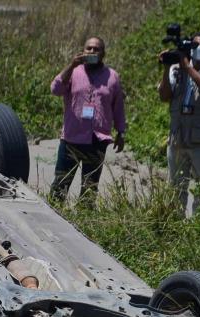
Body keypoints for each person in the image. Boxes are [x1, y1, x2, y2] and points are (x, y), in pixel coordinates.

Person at [49, 36, 126, 202]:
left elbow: (118, 106)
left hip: (97, 140)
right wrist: (71, 65)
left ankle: (82, 223)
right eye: (89, 48)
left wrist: (121, 132)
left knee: (89, 190)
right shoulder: (74, 72)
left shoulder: (112, 76)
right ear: (83, 51)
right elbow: (55, 89)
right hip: (71, 138)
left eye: (96, 49)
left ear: (103, 53)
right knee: (60, 186)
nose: (92, 51)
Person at [158, 31, 200, 210]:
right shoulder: (176, 68)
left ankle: (199, 228)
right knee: (175, 187)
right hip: (177, 136)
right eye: (195, 45)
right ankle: (175, 226)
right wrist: (166, 68)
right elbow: (164, 96)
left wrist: (188, 67)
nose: (198, 49)